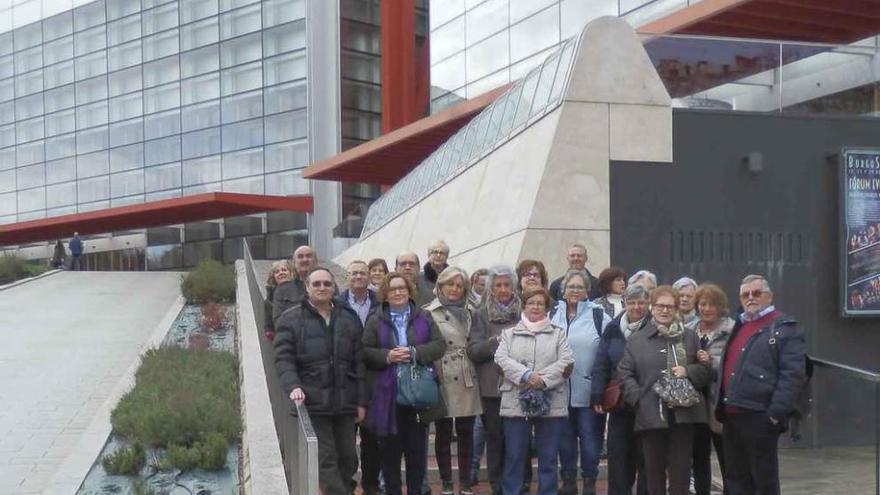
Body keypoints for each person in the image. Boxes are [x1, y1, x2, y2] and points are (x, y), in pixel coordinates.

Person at [273, 267, 367, 495]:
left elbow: (359, 362)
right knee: (325, 459)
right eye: (316, 284)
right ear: (307, 287)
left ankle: (344, 488)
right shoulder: (290, 319)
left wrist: (362, 402)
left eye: (327, 283)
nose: (322, 288)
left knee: (347, 457)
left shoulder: (348, 317)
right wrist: (293, 386)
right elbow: (284, 359)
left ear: (334, 287)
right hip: (313, 402)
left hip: (345, 402)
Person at [716, 275, 806, 495]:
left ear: (769, 296)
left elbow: (793, 374)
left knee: (763, 480)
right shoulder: (740, 324)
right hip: (732, 414)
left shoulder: (784, 327)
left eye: (756, 293)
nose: (750, 298)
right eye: (745, 294)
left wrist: (775, 414)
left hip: (760, 416)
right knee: (736, 478)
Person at [617, 285, 711, 495]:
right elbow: (624, 374)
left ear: (677, 309)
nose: (665, 311)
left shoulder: (689, 337)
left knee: (681, 474)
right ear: (652, 307)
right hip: (651, 414)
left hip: (684, 415)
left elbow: (704, 374)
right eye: (660, 306)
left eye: (670, 306)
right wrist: (639, 400)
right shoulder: (637, 340)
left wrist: (688, 371)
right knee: (653, 474)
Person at [362, 272, 446, 495]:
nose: (398, 292)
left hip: (418, 396)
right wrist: (388, 356)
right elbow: (365, 352)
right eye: (392, 289)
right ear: (385, 294)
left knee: (416, 456)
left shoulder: (425, 317)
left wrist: (414, 352)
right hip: (387, 396)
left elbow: (439, 346)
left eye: (402, 288)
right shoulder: (375, 320)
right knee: (389, 456)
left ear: (410, 291)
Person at [495, 287, 574, 495]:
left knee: (548, 457)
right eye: (531, 303)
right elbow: (501, 359)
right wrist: (526, 376)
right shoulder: (508, 334)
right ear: (524, 306)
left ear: (547, 308)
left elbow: (566, 361)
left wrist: (542, 380)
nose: (536, 307)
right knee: (515, 456)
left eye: (540, 303)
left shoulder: (559, 333)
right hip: (515, 401)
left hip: (551, 402)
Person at [551, 270, 610, 495]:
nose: (575, 291)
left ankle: (589, 481)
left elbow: (606, 353)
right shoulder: (552, 314)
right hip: (559, 391)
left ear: (587, 291)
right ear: (563, 291)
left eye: (579, 287)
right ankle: (568, 481)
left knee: (590, 439)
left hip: (589, 393)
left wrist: (602, 386)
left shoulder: (599, 315)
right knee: (564, 440)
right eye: (571, 287)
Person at [424, 267, 482, 495]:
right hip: (442, 373)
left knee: (467, 431)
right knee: (443, 431)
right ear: (441, 286)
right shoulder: (428, 312)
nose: (455, 289)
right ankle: (447, 482)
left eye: (459, 285)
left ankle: (466, 482)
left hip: (467, 373)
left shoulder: (472, 311)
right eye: (450, 284)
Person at [467, 265, 521, 495]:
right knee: (495, 439)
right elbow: (473, 351)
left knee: (517, 441)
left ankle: (517, 483)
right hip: (492, 389)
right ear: (490, 288)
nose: (502, 289)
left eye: (507, 285)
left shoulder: (525, 312)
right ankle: (496, 484)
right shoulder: (480, 314)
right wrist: (494, 343)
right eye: (498, 285)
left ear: (514, 286)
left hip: (519, 386)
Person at [591, 285, 651, 495]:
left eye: (641, 302)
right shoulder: (613, 327)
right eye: (632, 302)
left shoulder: (654, 326)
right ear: (624, 303)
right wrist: (597, 393)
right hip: (619, 404)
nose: (636, 307)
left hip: (646, 403)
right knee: (618, 458)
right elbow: (601, 363)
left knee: (646, 459)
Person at [336, 260, 381, 494]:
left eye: (362, 273)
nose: (358, 277)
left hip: (375, 378)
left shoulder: (380, 303)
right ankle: (348, 484)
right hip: (347, 379)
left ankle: (371, 485)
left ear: (369, 277)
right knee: (345, 441)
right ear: (347, 277)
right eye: (353, 273)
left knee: (372, 440)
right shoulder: (337, 304)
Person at [687, 283, 734, 495]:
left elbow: (734, 366)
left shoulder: (731, 330)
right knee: (699, 457)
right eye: (702, 304)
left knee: (728, 458)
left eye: (711, 305)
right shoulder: (690, 330)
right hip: (695, 403)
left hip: (719, 403)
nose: (706, 309)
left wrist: (710, 363)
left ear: (720, 307)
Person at [272, 245, 318, 324]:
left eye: (309, 256)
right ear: (294, 263)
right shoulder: (282, 290)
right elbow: (278, 321)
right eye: (300, 257)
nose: (305, 259)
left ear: (316, 261)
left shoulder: (327, 285)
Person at [264, 260, 293, 342]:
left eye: (284, 270)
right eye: (277, 272)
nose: (281, 273)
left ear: (291, 273)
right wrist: (269, 332)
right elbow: (268, 321)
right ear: (273, 277)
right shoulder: (269, 299)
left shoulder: (300, 291)